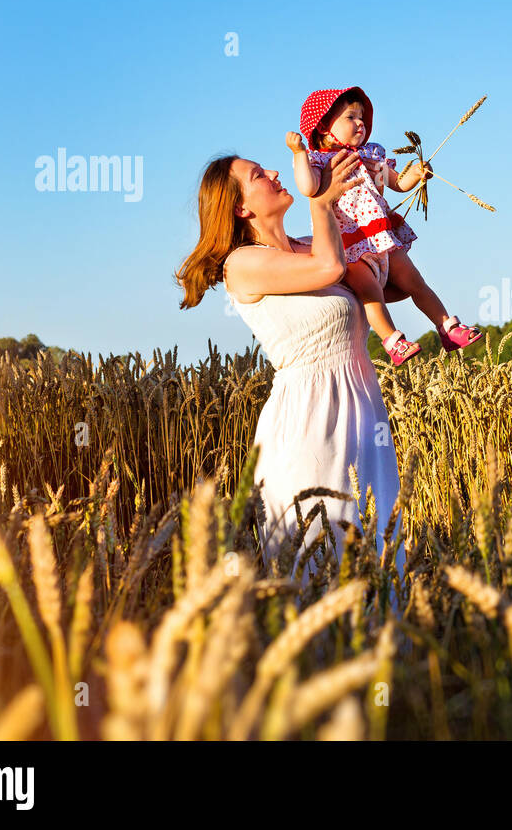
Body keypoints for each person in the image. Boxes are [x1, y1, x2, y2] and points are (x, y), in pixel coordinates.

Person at [174, 143, 407, 608]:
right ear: (240, 206)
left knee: (378, 564)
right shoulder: (243, 264)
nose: (277, 172)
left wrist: (373, 200)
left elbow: (384, 284)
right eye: (259, 174)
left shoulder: (310, 243)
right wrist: (321, 202)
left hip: (364, 420)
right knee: (321, 560)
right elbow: (331, 268)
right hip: (309, 423)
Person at [298, 86, 483, 365]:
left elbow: (398, 183)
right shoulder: (322, 161)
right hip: (348, 243)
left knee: (414, 280)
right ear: (324, 126)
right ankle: (393, 341)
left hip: (381, 237)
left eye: (362, 117)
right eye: (351, 117)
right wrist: (298, 153)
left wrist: (416, 173)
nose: (360, 123)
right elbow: (308, 187)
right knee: (369, 290)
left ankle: (447, 327)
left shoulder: (372, 155)